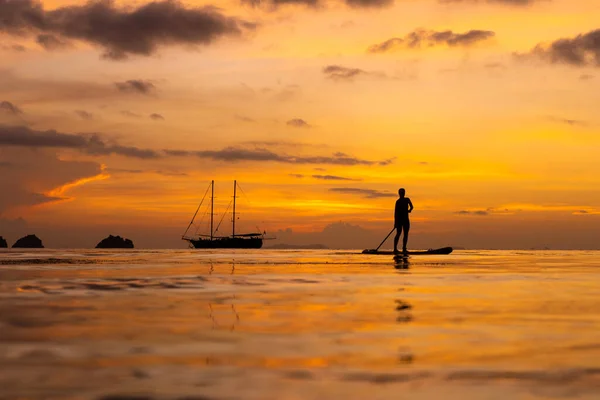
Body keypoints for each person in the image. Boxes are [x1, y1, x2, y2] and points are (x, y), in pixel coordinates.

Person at [394, 188, 413, 254]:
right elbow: (396, 213)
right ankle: (395, 249)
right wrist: (395, 223)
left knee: (405, 234)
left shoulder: (407, 199)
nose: (402, 194)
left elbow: (412, 206)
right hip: (399, 221)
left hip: (406, 220)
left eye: (403, 193)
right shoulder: (398, 202)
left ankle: (404, 248)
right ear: (399, 194)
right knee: (398, 233)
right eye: (401, 193)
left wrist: (409, 210)